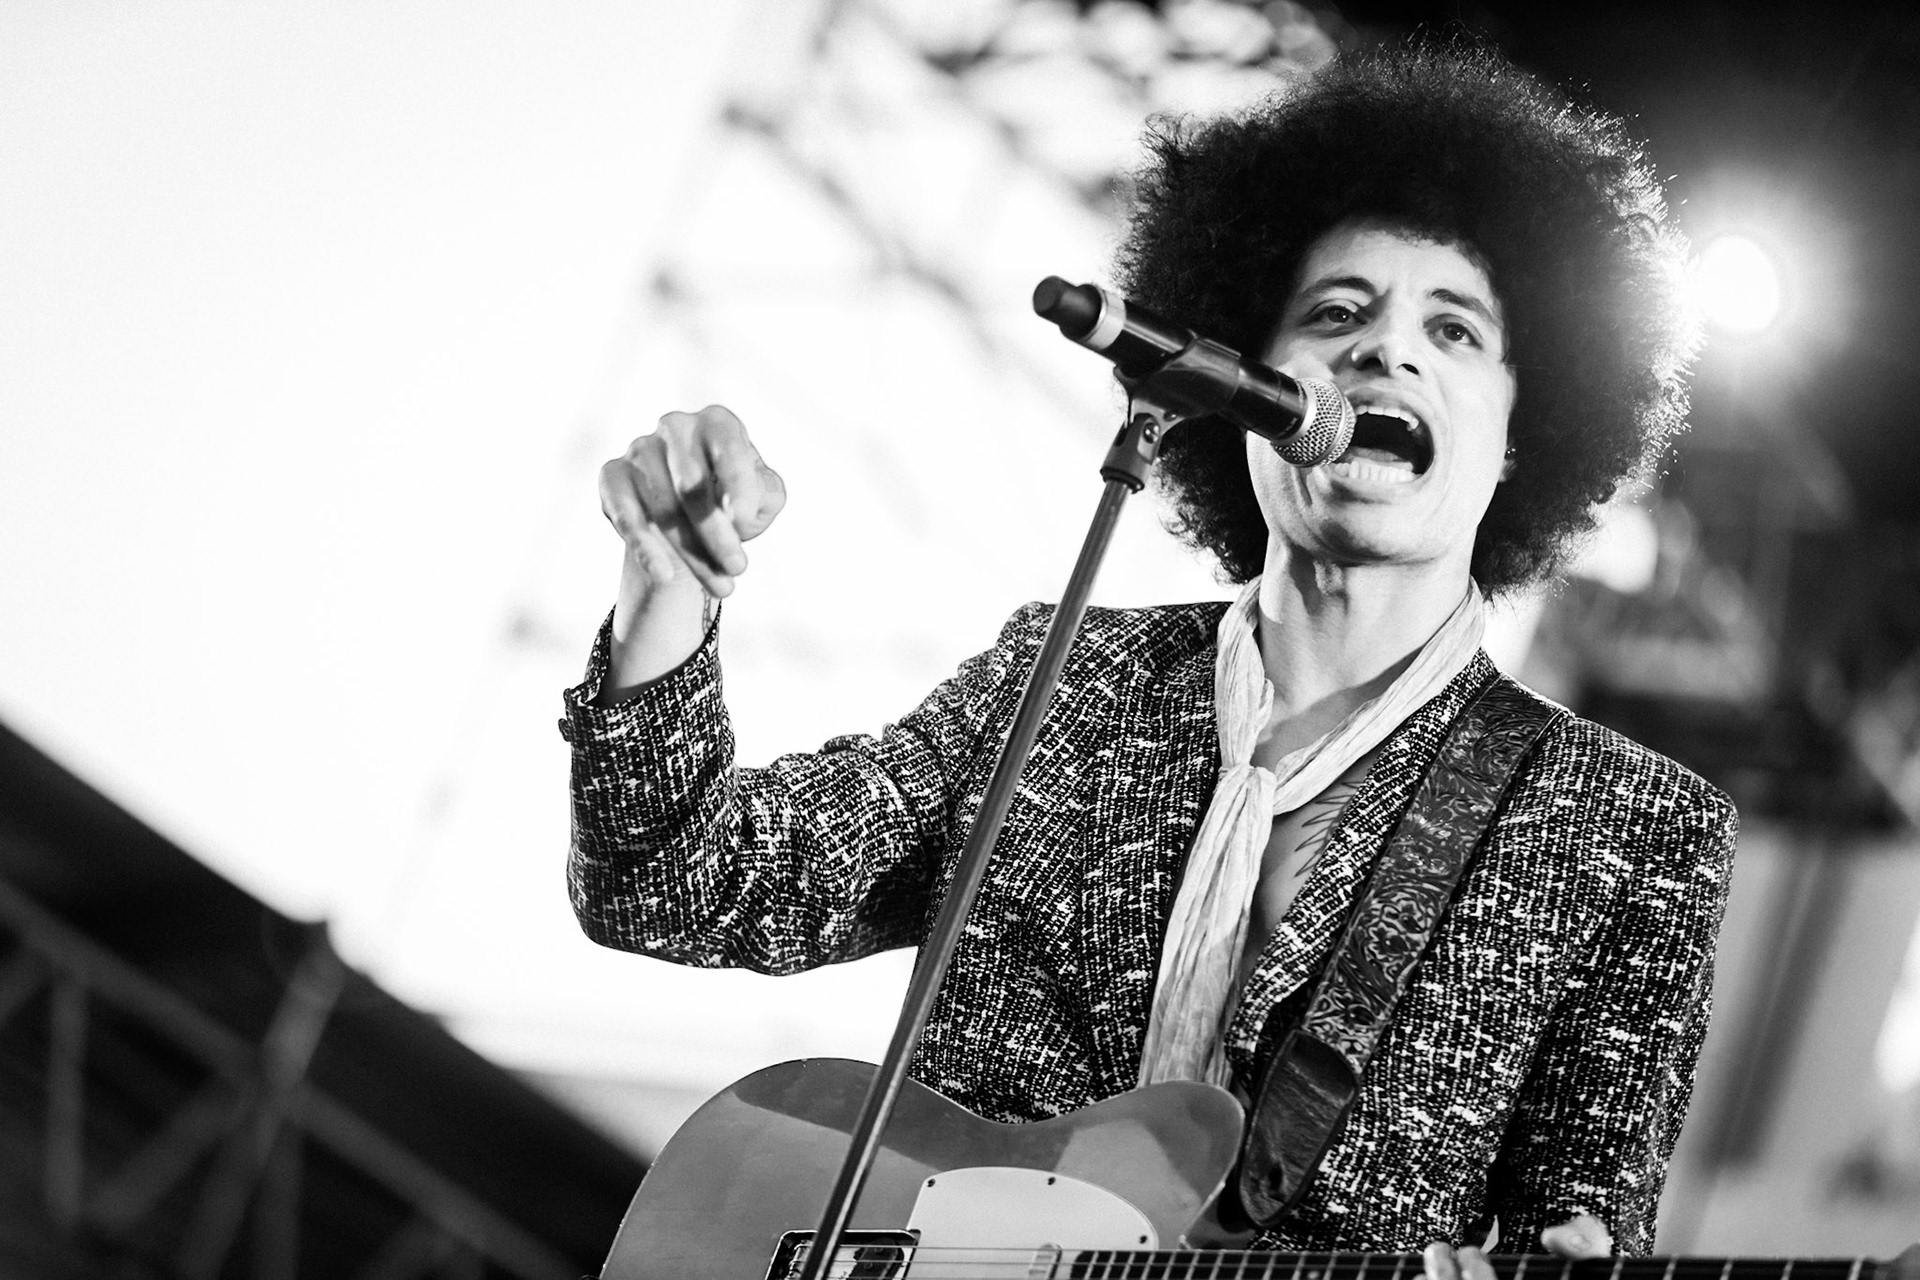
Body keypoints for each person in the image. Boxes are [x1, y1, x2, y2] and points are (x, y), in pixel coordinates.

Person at [560, 37, 1736, 1270]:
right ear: (1247, 389)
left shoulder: (1632, 828)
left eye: (1454, 331)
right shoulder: (1062, 679)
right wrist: (670, 600)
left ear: (1518, 438)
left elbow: (1584, 1226)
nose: (1383, 351)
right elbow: (677, 884)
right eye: (1335, 313)